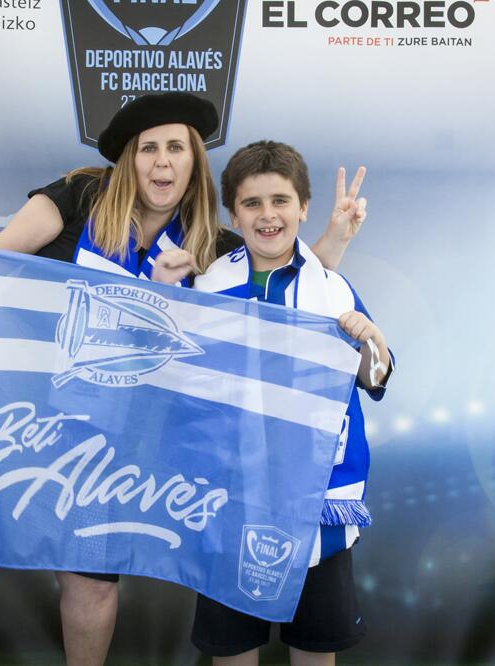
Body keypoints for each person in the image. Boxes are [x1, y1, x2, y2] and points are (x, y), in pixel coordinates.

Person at [0, 93, 369, 666]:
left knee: (91, 582)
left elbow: (286, 293)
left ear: (192, 162)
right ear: (130, 160)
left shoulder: (214, 245)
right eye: (148, 148)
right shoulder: (81, 194)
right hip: (27, 412)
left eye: (175, 147)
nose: (161, 161)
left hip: (115, 443)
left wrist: (335, 243)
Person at [154, 140, 392, 666]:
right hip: (232, 501)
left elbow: (375, 376)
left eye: (281, 201)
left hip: (318, 501)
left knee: (314, 651)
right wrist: (166, 299)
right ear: (232, 213)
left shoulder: (331, 289)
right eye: (253, 203)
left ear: (302, 208)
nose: (268, 215)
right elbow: (175, 385)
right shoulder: (210, 286)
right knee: (233, 650)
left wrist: (371, 341)